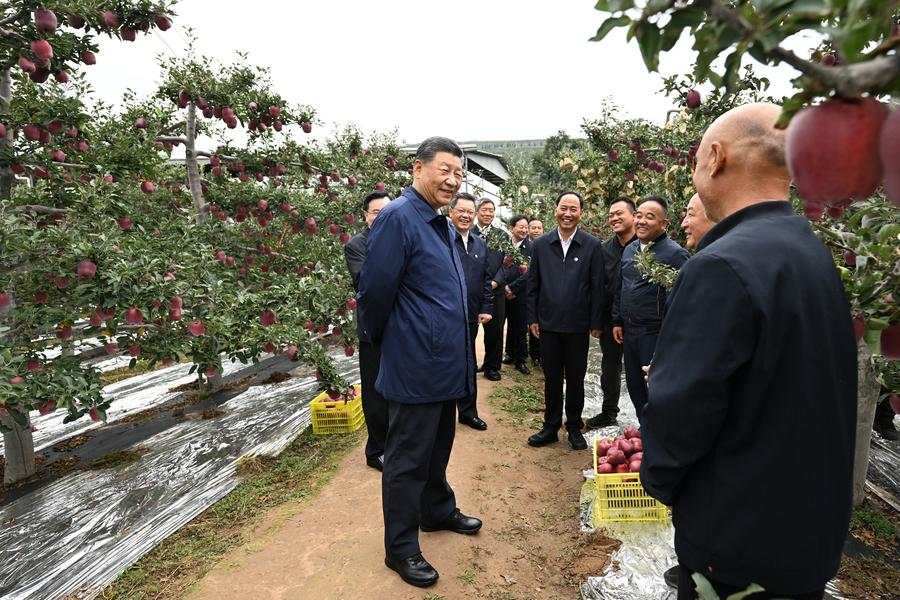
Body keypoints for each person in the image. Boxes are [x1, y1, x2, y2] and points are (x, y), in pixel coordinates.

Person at [641, 103, 857, 599]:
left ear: (715, 157)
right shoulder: (808, 250)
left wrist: (664, 483)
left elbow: (683, 409)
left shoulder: (722, 264)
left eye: (695, 162)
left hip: (737, 538)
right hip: (804, 530)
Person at [358, 137, 482, 588]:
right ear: (417, 168)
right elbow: (374, 294)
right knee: (407, 458)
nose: (453, 180)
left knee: (438, 447)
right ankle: (402, 548)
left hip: (444, 364)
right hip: (415, 364)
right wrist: (391, 342)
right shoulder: (398, 218)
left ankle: (437, 510)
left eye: (458, 172)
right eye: (444, 170)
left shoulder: (440, 223)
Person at [526, 192, 604, 450]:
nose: (567, 213)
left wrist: (596, 322)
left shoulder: (592, 245)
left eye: (573, 209)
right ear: (555, 210)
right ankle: (550, 426)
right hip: (547, 324)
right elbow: (533, 285)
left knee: (576, 378)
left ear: (581, 213)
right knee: (551, 377)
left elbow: (597, 286)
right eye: (563, 208)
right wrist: (533, 318)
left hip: (578, 326)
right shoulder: (541, 245)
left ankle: (573, 426)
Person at [611, 196, 689, 421]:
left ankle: (659, 434)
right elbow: (621, 285)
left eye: (650, 217)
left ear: (664, 224)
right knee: (635, 387)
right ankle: (644, 433)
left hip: (655, 335)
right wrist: (617, 319)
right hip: (630, 332)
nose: (642, 221)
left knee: (655, 389)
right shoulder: (630, 250)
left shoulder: (675, 254)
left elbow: (680, 302)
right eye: (639, 215)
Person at [343, 190, 391, 471]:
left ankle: (392, 444)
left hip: (398, 327)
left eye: (387, 212)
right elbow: (365, 282)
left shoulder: (397, 241)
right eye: (376, 212)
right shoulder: (357, 245)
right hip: (373, 329)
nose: (382, 217)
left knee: (395, 387)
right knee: (375, 392)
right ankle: (375, 451)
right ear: (366, 216)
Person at [586, 197, 637, 429]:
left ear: (634, 216)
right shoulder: (603, 248)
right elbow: (597, 287)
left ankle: (649, 416)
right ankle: (609, 412)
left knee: (642, 369)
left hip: (640, 321)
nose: (614, 218)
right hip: (609, 320)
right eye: (611, 215)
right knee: (610, 369)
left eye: (619, 213)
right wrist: (596, 322)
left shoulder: (647, 246)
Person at [449, 192, 494, 431]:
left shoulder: (479, 244)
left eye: (470, 212)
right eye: (461, 211)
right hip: (446, 315)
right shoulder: (442, 239)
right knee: (447, 363)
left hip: (470, 315)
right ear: (451, 212)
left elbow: (486, 279)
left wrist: (486, 307)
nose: (466, 216)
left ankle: (468, 412)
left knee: (468, 363)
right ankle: (443, 413)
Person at [473, 199, 507, 381]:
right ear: (477, 212)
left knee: (495, 331)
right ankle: (469, 365)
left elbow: (507, 264)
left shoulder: (502, 236)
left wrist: (496, 282)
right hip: (472, 291)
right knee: (470, 330)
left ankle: (492, 366)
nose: (488, 214)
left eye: (491, 210)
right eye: (484, 210)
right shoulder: (468, 233)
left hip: (496, 291)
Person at [503, 214, 532, 375]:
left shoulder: (532, 247)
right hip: (503, 292)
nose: (524, 230)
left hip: (520, 294)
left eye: (526, 227)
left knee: (520, 326)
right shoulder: (504, 245)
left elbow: (530, 273)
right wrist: (504, 287)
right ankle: (510, 354)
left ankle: (521, 359)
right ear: (512, 228)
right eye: (521, 227)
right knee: (508, 325)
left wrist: (512, 288)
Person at [527, 217, 545, 366]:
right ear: (528, 230)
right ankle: (533, 353)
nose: (537, 230)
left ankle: (540, 353)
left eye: (539, 228)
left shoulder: (546, 245)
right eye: (534, 228)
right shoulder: (526, 246)